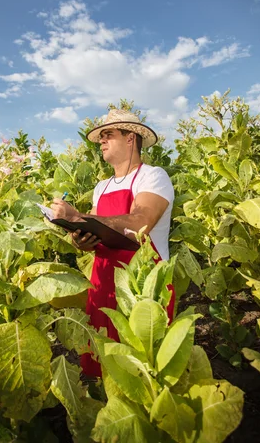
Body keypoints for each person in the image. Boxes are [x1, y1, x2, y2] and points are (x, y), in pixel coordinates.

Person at [51, 109, 175, 376]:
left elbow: (139, 223)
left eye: (109, 135)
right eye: (101, 137)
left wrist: (78, 215)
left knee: (142, 369)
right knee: (103, 361)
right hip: (103, 282)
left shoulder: (153, 177)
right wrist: (80, 238)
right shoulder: (102, 187)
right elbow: (99, 229)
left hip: (143, 285)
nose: (102, 142)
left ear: (130, 138)